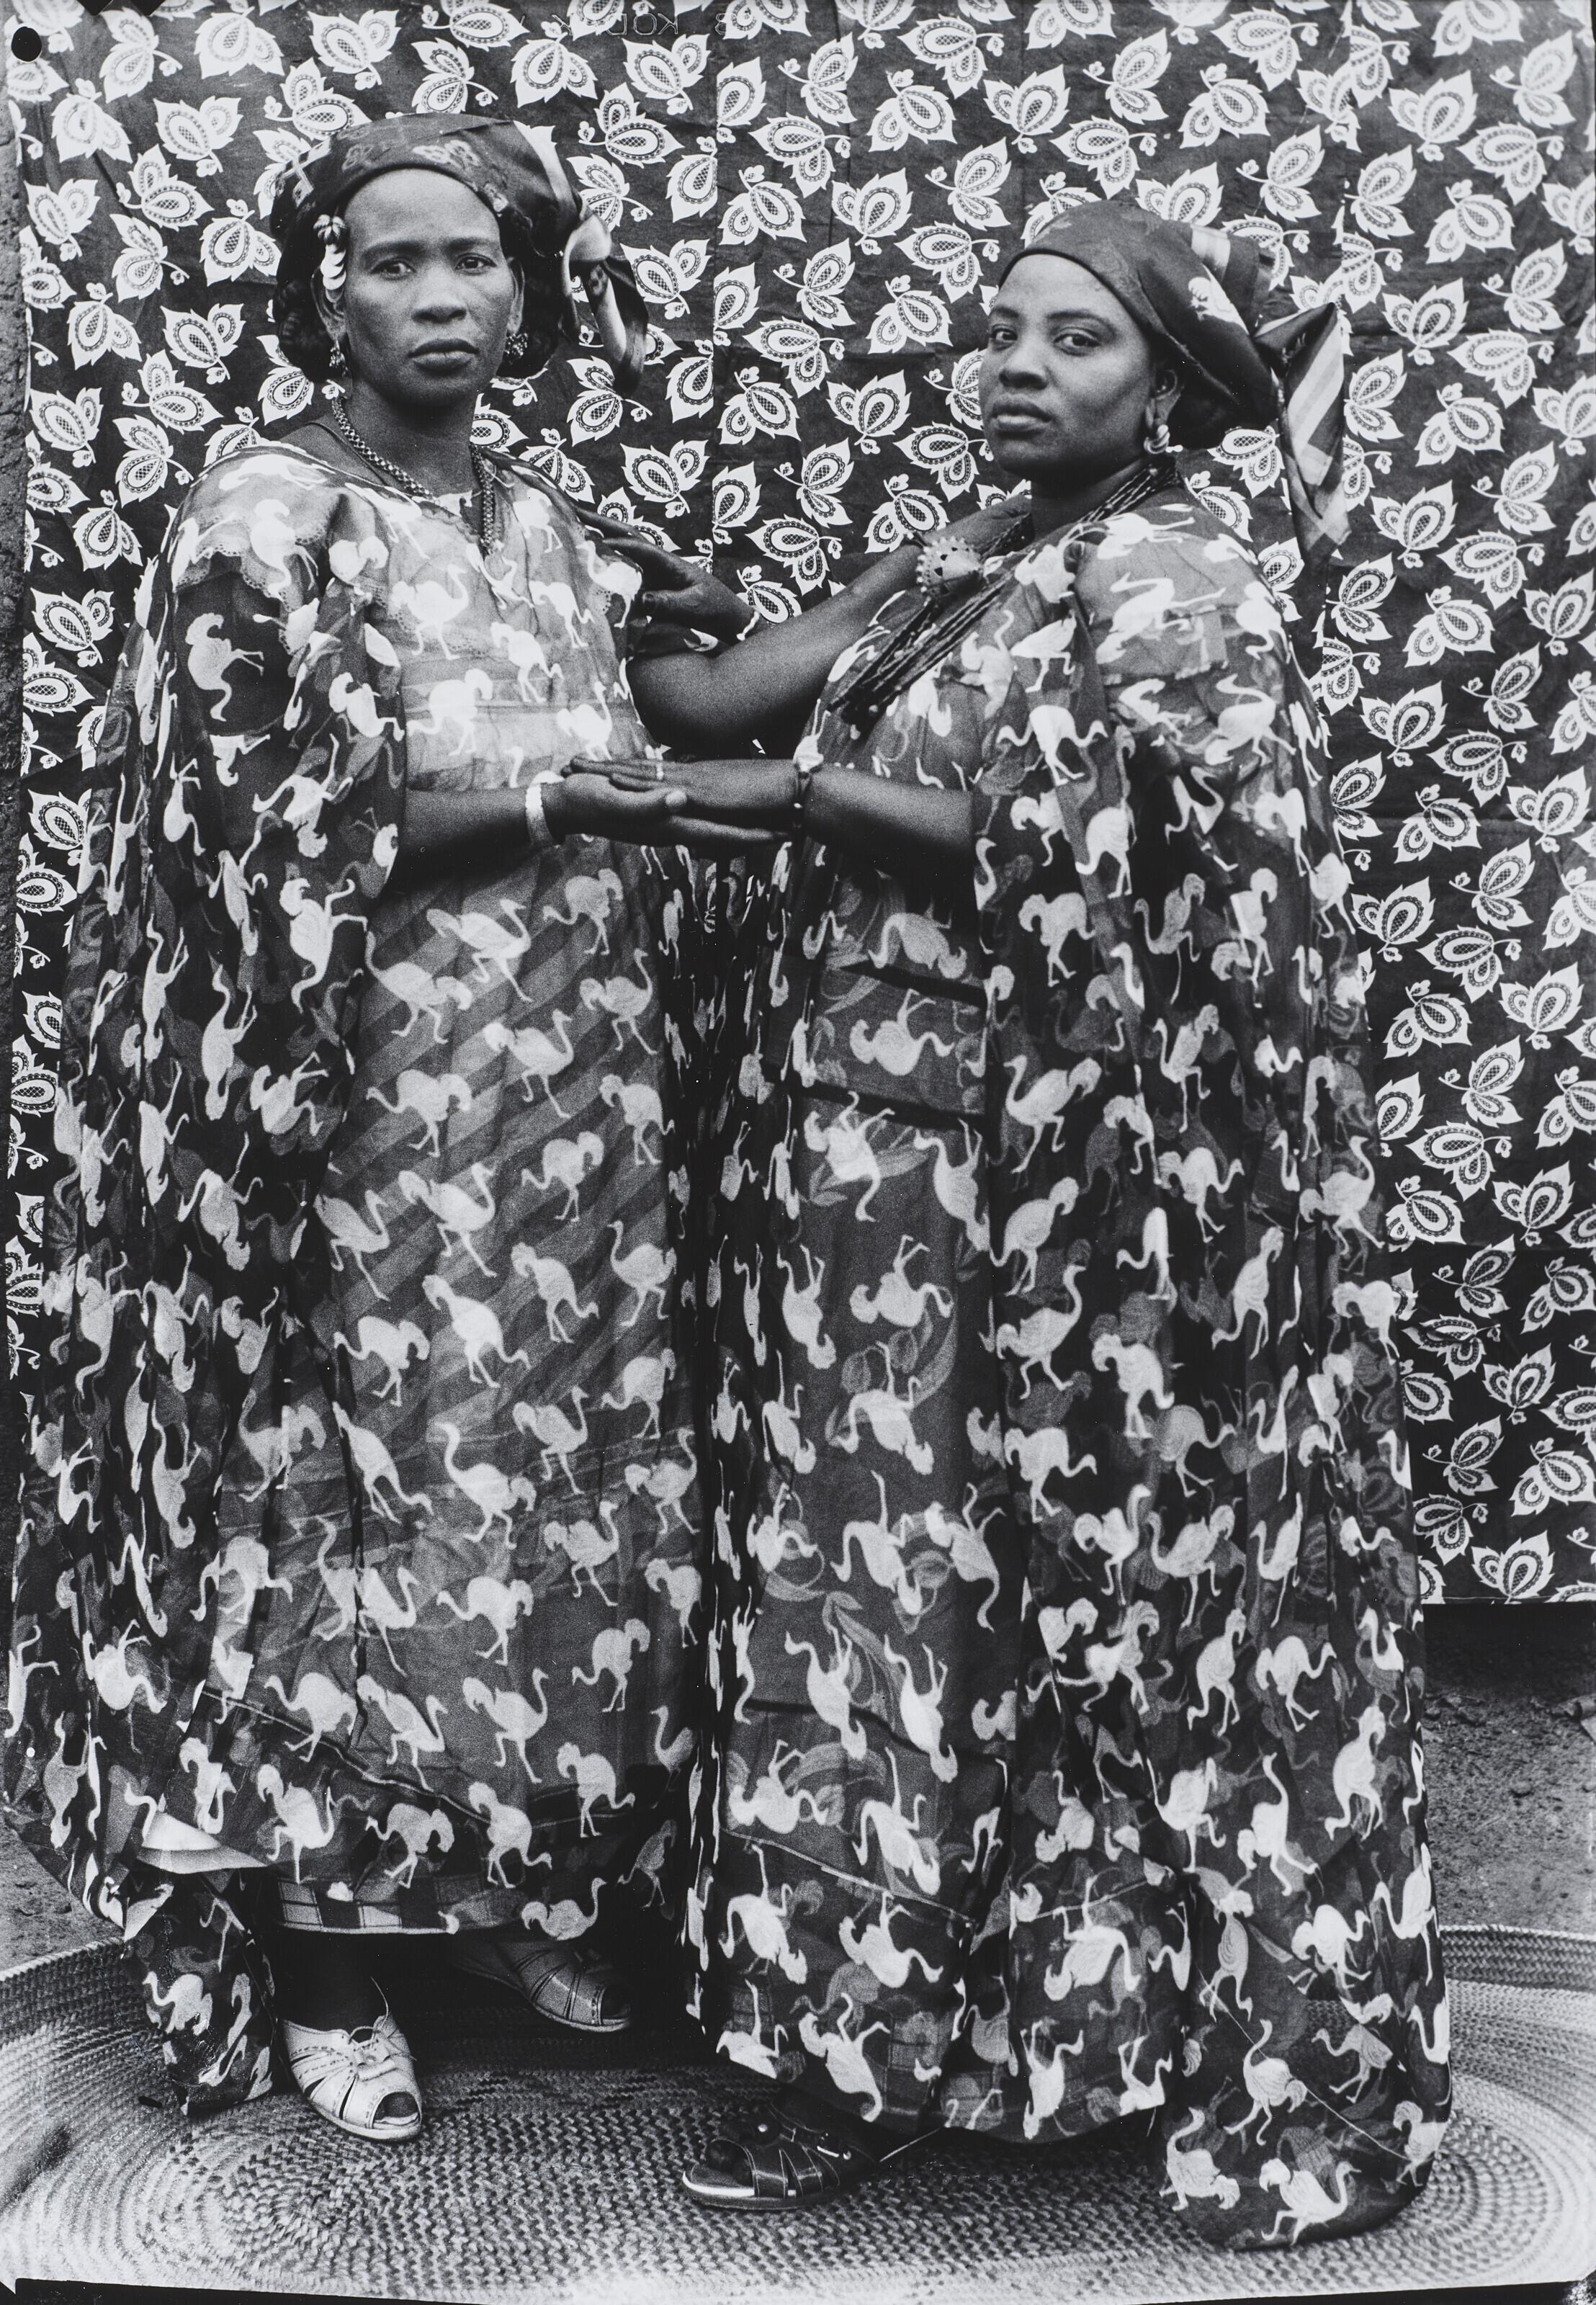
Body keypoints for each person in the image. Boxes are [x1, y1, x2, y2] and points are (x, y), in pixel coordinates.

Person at [598, 205, 1451, 2246]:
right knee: (875, 1599)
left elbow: (1108, 880)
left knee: (1005, 1602)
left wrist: (811, 804)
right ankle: (879, 2034)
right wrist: (681, 633)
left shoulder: (1175, 582)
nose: (1014, 366)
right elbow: (720, 703)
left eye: (1073, 339)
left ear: (1168, 388)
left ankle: (1026, 2039)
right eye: (999, 330)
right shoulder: (959, 562)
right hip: (861, 1168)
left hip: (1052, 1186)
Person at [1, 113, 802, 2142]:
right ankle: (335, 1950)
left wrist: (785, 617)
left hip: (576, 1123)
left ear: (532, 287)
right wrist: (554, 809)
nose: (443, 299)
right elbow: (247, 830)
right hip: (349, 1112)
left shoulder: (546, 523)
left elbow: (690, 712)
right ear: (324, 286)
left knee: (547, 1508)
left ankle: (494, 1894)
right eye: (397, 262)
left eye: (480, 263)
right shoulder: (262, 517)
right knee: (358, 1511)